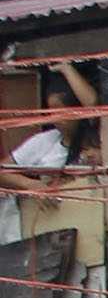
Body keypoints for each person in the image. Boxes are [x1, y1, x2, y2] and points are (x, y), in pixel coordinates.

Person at [0, 58, 100, 255]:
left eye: (61, 112)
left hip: (93, 236)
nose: (55, 119)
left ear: (77, 111)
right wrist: (33, 186)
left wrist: (66, 68)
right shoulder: (46, 141)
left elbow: (93, 105)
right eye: (51, 112)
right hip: (52, 237)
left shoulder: (102, 141)